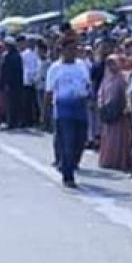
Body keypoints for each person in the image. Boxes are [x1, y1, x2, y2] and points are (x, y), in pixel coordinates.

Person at [45, 37, 91, 188]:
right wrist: (45, 113)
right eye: (70, 49)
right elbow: (49, 91)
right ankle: (68, 175)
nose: (73, 52)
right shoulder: (55, 68)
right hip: (63, 108)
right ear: (62, 50)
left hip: (80, 106)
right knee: (68, 141)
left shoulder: (81, 66)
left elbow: (88, 84)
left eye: (75, 49)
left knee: (80, 140)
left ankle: (71, 163)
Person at [97, 54, 132, 171]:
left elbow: (126, 94)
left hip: (119, 113)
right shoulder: (106, 78)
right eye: (109, 64)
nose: (112, 66)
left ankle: (119, 161)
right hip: (107, 112)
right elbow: (100, 93)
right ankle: (108, 160)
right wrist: (101, 105)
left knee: (119, 139)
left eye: (114, 63)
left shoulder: (122, 78)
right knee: (108, 137)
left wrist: (124, 107)